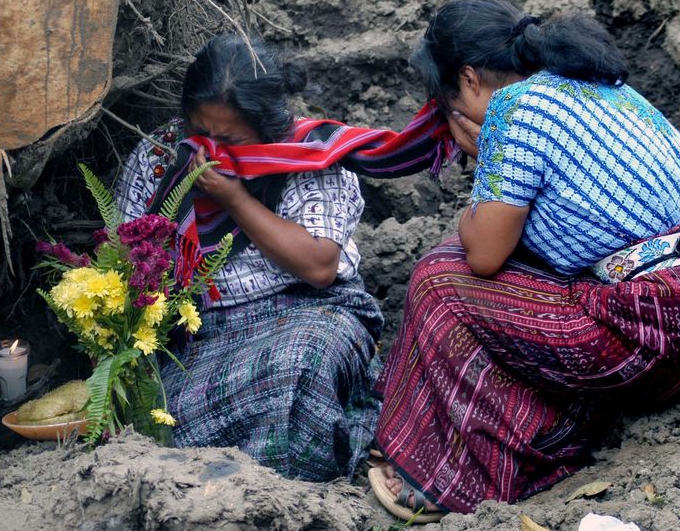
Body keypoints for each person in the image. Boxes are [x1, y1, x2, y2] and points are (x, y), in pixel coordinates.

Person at [368, 0, 680, 521]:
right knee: (521, 267)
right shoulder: (591, 79)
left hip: (658, 343)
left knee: (440, 279)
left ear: (469, 80)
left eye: (447, 106)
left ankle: (458, 476)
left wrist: (484, 156)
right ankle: (520, 426)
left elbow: (482, 256)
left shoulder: (511, 107)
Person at [115, 34, 457, 481]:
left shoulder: (309, 155)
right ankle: (217, 477)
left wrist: (234, 199)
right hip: (202, 334)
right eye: (201, 132)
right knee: (164, 408)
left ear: (267, 125)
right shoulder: (162, 156)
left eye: (229, 137)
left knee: (297, 364)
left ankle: (279, 484)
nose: (210, 149)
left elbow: (318, 267)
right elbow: (126, 251)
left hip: (309, 311)